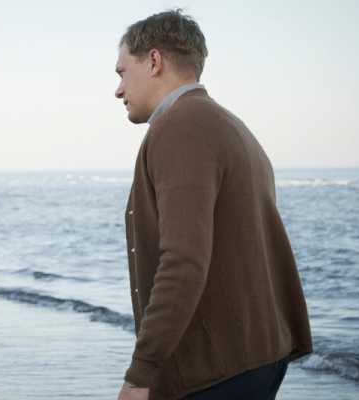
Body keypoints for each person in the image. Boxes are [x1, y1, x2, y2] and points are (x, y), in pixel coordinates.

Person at [113, 10, 312, 400]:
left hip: (218, 371)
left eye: (122, 73)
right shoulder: (230, 125)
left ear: (153, 61)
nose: (118, 90)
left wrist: (140, 373)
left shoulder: (181, 127)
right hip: (255, 356)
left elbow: (183, 261)